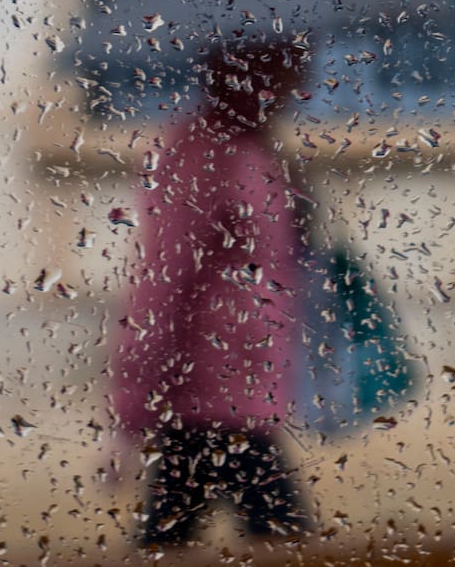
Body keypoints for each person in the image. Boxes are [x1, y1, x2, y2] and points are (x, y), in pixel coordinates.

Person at [109, 32, 312, 548]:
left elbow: (268, 263)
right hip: (207, 392)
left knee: (171, 534)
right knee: (279, 533)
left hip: (243, 385)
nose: (298, 85)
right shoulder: (199, 155)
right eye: (285, 71)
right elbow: (163, 278)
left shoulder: (251, 148)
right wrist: (134, 405)